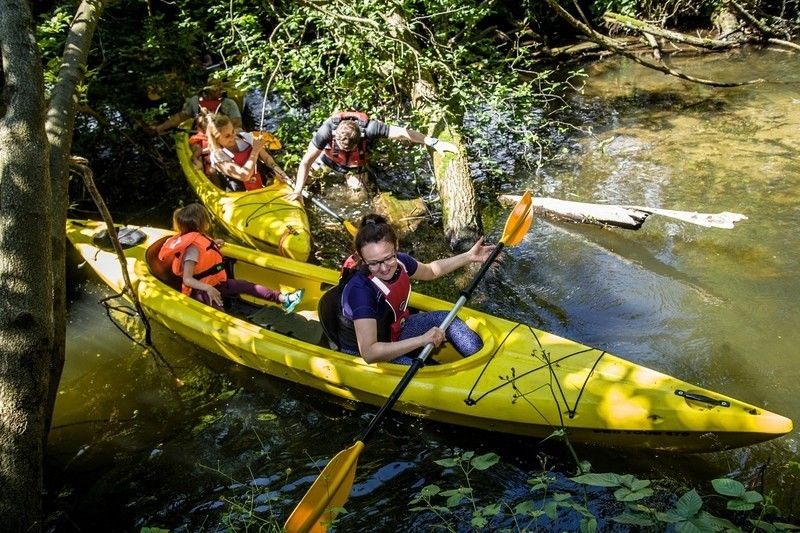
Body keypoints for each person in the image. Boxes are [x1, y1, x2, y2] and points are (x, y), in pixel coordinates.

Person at [335, 214, 494, 365]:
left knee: (448, 320)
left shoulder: (401, 262)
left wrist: (469, 256)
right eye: (374, 263)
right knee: (418, 372)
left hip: (395, 330)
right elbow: (369, 353)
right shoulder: (361, 291)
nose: (384, 268)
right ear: (362, 259)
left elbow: (432, 271)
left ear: (396, 247)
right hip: (369, 352)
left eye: (389, 258)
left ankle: (485, 363)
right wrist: (422, 340)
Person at [158, 203, 303, 312]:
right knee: (219, 314)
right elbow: (187, 279)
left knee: (247, 286)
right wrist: (208, 288)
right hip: (205, 292)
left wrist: (214, 244)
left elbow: (205, 249)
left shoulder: (199, 238)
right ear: (199, 223)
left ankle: (284, 299)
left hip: (219, 283)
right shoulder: (192, 250)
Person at [288, 111, 458, 201]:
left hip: (355, 166)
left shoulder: (371, 129)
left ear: (359, 138)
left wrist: (435, 143)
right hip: (327, 159)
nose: (346, 149)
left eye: (350, 147)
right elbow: (305, 162)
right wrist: (298, 190)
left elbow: (403, 134)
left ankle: (353, 181)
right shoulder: (326, 131)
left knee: (358, 196)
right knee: (307, 179)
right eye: (343, 147)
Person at [206, 114, 288, 192]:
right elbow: (244, 175)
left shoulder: (246, 137)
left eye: (233, 131)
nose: (233, 136)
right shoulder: (217, 156)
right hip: (240, 196)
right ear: (216, 139)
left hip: (265, 186)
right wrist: (255, 150)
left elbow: (267, 158)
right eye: (227, 136)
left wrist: (278, 170)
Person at [147, 78, 242, 135]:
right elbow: (180, 117)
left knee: (239, 131)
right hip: (204, 136)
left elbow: (237, 123)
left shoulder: (229, 103)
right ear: (208, 91)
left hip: (227, 133)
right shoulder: (195, 101)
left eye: (220, 88)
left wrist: (218, 132)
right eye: (216, 89)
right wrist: (160, 128)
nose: (220, 91)